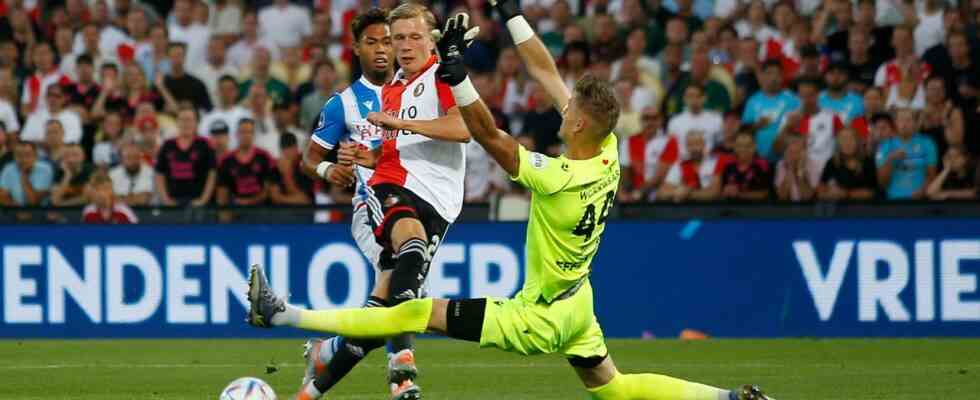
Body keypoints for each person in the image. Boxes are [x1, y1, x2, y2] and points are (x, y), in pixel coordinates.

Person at [247, 7, 774, 400]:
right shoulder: (607, 152)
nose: (560, 113)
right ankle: (729, 397)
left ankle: (285, 314)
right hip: (579, 305)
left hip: (537, 317)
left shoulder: (558, 176)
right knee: (614, 388)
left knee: (409, 309)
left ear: (580, 125)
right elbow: (547, 73)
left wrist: (459, 75)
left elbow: (490, 137)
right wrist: (513, 15)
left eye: (569, 114)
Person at [295, 4, 474, 400]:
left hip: (428, 194)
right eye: (375, 42)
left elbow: (444, 123)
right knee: (403, 268)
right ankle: (402, 373)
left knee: (393, 293)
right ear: (357, 48)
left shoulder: (410, 83)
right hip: (372, 201)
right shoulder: (343, 103)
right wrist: (330, 171)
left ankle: (326, 360)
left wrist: (380, 147)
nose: (384, 49)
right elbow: (309, 158)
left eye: (389, 41)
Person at [154, 106, 217, 206]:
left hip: (198, 203)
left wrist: (203, 200)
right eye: (182, 120)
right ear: (177, 122)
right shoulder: (167, 145)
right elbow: (159, 174)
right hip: (173, 203)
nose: (186, 123)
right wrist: (166, 200)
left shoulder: (205, 144)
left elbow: (212, 174)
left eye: (189, 120)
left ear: (196, 123)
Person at [773, 77, 843, 166]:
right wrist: (787, 127)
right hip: (797, 173)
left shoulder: (832, 117)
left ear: (818, 95)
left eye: (810, 95)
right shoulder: (789, 117)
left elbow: (844, 145)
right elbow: (777, 149)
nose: (805, 100)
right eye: (802, 96)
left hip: (824, 172)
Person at [741, 60, 800, 160]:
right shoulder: (753, 101)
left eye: (777, 74)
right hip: (758, 159)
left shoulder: (793, 100)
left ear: (782, 77)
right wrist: (756, 126)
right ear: (762, 76)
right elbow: (744, 131)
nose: (773, 77)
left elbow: (799, 130)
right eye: (769, 73)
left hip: (785, 159)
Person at [876, 108, 938, 200]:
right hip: (893, 200)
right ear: (895, 123)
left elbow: (932, 175)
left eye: (908, 120)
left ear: (915, 123)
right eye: (901, 120)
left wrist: (922, 191)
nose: (904, 124)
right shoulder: (885, 146)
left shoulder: (927, 143)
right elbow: (882, 183)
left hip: (921, 199)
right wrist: (890, 159)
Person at [216, 119, 274, 210]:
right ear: (236, 134)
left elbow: (269, 190)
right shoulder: (226, 160)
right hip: (234, 210)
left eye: (249, 132)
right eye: (243, 132)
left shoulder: (264, 157)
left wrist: (249, 202)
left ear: (254, 135)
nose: (246, 135)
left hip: (262, 210)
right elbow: (222, 193)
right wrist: (224, 214)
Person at [657, 131, 727, 202]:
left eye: (697, 144)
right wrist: (676, 192)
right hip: (687, 210)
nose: (694, 148)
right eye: (690, 145)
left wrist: (688, 192)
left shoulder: (715, 161)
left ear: (704, 145)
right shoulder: (680, 165)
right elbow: (661, 193)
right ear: (686, 147)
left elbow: (714, 193)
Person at [817, 128, 878, 201]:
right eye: (843, 139)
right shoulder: (832, 162)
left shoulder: (868, 161)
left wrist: (846, 194)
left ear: (857, 141)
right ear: (838, 143)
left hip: (865, 208)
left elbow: (872, 192)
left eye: (851, 139)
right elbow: (821, 189)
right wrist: (828, 194)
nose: (847, 142)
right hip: (839, 209)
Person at [0, 142, 55, 207]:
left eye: (27, 155)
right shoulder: (8, 169)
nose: (23, 159)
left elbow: (33, 201)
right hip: (13, 211)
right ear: (14, 156)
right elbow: (2, 196)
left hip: (40, 211)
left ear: (35, 156)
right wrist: (17, 210)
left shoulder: (45, 169)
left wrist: (24, 176)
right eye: (19, 155)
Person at [721, 131, 772, 201]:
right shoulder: (728, 166)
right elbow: (720, 190)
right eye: (739, 145)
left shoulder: (763, 165)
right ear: (735, 147)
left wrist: (739, 194)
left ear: (754, 147)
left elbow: (764, 193)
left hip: (754, 208)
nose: (743, 149)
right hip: (730, 208)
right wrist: (725, 191)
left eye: (748, 146)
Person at [774, 136, 822, 202]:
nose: (793, 156)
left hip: (808, 208)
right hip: (787, 208)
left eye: (797, 152)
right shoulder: (781, 165)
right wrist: (790, 169)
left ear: (804, 153)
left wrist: (800, 172)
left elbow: (807, 196)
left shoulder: (813, 165)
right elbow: (782, 196)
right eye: (790, 152)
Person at [109, 141, 155, 206]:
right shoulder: (112, 174)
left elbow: (144, 199)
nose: (132, 161)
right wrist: (135, 198)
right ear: (122, 159)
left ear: (140, 158)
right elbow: (110, 198)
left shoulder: (150, 173)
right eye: (128, 158)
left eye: (136, 157)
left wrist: (121, 198)